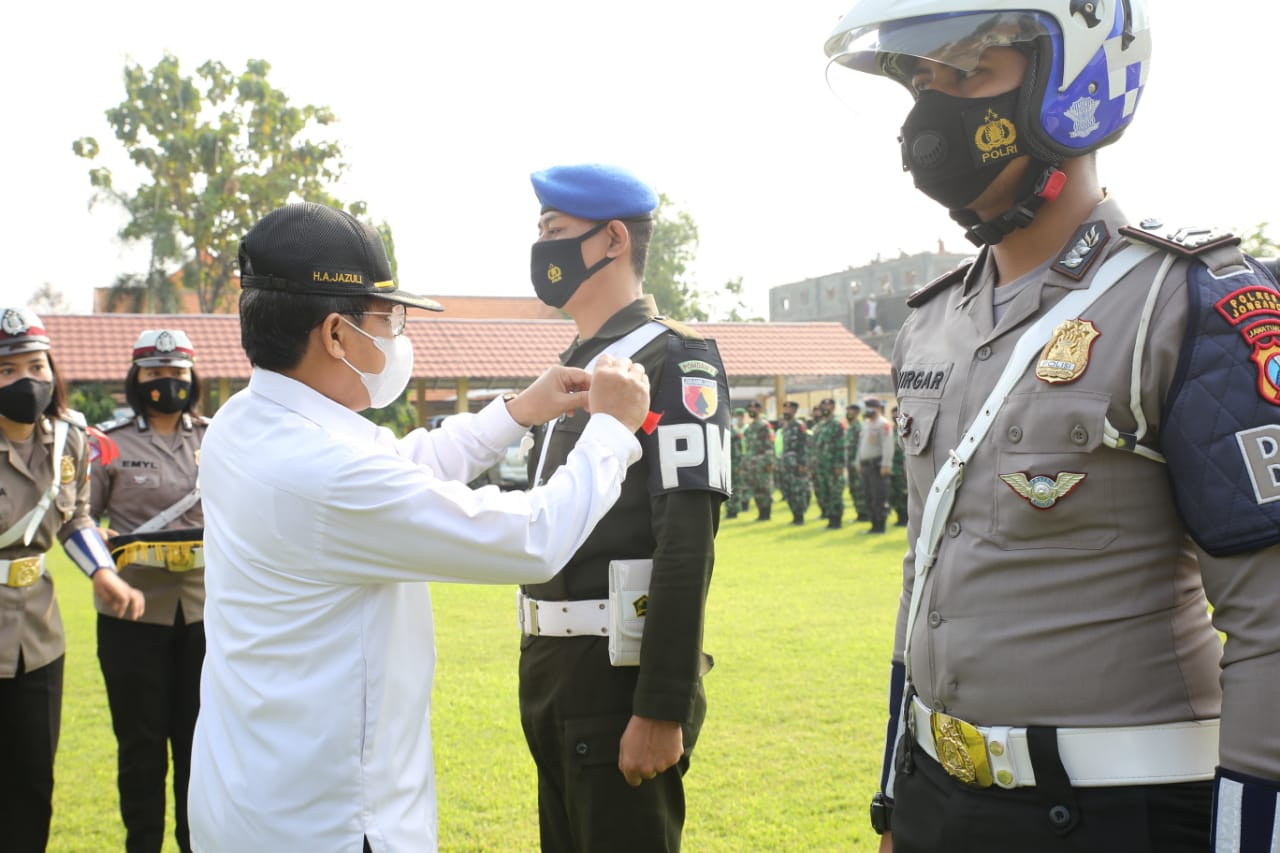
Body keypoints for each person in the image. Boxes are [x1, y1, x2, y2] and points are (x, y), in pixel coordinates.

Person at [826, 1, 1280, 850]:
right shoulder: (930, 322)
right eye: (922, 82)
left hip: (1117, 815)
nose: (931, 112)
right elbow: (923, 573)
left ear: (1072, 83)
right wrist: (897, 799)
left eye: (966, 74)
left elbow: (1273, 623)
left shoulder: (1187, 303)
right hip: (939, 801)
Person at [188, 201, 652, 853]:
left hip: (248, 801)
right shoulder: (327, 475)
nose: (398, 334)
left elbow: (401, 466)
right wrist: (609, 430)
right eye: (388, 317)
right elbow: (531, 537)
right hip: (333, 826)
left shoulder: (245, 422)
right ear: (335, 335)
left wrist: (519, 410)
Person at [521, 163, 731, 853]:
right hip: (555, 671)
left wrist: (662, 703)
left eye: (555, 231)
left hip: (619, 681)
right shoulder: (575, 364)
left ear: (613, 239)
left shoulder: (675, 358)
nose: (541, 247)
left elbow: (687, 539)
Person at [0, 307, 145, 852]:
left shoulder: (69, 441)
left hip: (37, 637)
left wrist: (103, 573)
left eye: (35, 366)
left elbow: (76, 515)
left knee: (33, 783)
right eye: (6, 371)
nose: (25, 381)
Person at [90, 329, 207, 853]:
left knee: (197, 746)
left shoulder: (214, 437)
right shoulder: (107, 443)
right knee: (140, 749)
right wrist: (101, 543)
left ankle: (194, 843)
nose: (168, 383)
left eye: (178, 373)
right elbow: (79, 520)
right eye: (157, 374)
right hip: (131, 617)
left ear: (193, 377)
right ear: (137, 378)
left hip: (205, 615)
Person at [856, 398, 893, 535]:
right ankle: (873, 524)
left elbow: (888, 446)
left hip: (877, 465)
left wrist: (886, 464)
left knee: (879, 496)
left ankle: (880, 525)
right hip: (866, 465)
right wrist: (858, 461)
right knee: (868, 496)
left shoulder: (883, 424)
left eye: (871, 407)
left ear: (877, 408)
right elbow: (861, 446)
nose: (868, 410)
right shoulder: (866, 424)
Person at [811, 397, 847, 529]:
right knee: (823, 492)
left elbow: (841, 445)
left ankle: (836, 520)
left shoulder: (836, 424)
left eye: (828, 406)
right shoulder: (820, 425)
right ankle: (829, 518)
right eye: (823, 406)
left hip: (832, 465)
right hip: (820, 466)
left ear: (833, 408)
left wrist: (839, 464)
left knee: (834, 493)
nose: (825, 408)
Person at [777, 400, 811, 525]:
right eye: (784, 408)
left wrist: (802, 463)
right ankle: (795, 515)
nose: (786, 410)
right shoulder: (785, 426)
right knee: (789, 490)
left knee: (798, 489)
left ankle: (800, 516)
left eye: (789, 408)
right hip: (786, 463)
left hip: (796, 463)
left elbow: (804, 445)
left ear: (795, 411)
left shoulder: (798, 425)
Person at [741, 399, 774, 521]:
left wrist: (769, 462)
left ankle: (766, 514)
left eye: (755, 408)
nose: (752, 410)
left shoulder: (764, 425)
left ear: (760, 410)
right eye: (750, 408)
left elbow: (769, 444)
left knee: (765, 488)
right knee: (756, 488)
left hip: (763, 462)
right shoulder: (749, 428)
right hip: (752, 463)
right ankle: (761, 513)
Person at [845, 402, 867, 520]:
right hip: (850, 463)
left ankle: (864, 513)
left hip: (858, 463)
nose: (848, 414)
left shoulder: (859, 427)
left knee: (860, 488)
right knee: (853, 488)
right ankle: (859, 513)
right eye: (847, 411)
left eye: (851, 411)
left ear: (857, 413)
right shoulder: (850, 428)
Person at [725, 407, 748, 519]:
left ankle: (734, 511)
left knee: (735, 488)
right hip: (726, 464)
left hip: (734, 464)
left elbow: (739, 452)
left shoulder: (734, 433)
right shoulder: (725, 430)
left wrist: (739, 466)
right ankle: (729, 509)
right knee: (727, 488)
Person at [888, 405, 908, 527]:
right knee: (894, 494)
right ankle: (899, 517)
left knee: (903, 493)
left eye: (896, 414)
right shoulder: (892, 430)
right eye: (892, 414)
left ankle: (905, 518)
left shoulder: (904, 430)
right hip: (893, 467)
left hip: (902, 467)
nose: (894, 416)